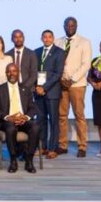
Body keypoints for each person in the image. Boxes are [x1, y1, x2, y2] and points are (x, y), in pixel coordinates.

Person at [54, 16, 92, 158]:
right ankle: (62, 145)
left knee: (79, 116)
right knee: (62, 116)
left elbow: (86, 64)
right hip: (61, 84)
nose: (70, 27)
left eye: (72, 25)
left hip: (77, 84)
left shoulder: (84, 42)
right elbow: (55, 62)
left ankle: (82, 146)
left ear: (76, 26)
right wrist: (61, 79)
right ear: (64, 26)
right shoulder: (57, 41)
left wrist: (71, 80)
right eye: (67, 25)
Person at [0, 63, 40, 173]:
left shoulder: (26, 89)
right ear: (6, 74)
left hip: (23, 120)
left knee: (35, 127)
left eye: (14, 71)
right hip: (7, 121)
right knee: (11, 128)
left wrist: (26, 117)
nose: (11, 73)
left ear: (18, 73)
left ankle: (29, 160)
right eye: (9, 71)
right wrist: (8, 117)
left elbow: (32, 108)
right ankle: (13, 160)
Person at [33, 30, 65, 159]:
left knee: (53, 121)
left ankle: (53, 149)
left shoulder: (59, 52)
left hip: (52, 92)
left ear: (53, 38)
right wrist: (36, 87)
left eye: (49, 37)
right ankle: (43, 147)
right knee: (40, 120)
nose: (47, 39)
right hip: (38, 92)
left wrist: (44, 87)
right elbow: (34, 71)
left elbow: (58, 74)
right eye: (44, 37)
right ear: (41, 38)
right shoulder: (37, 51)